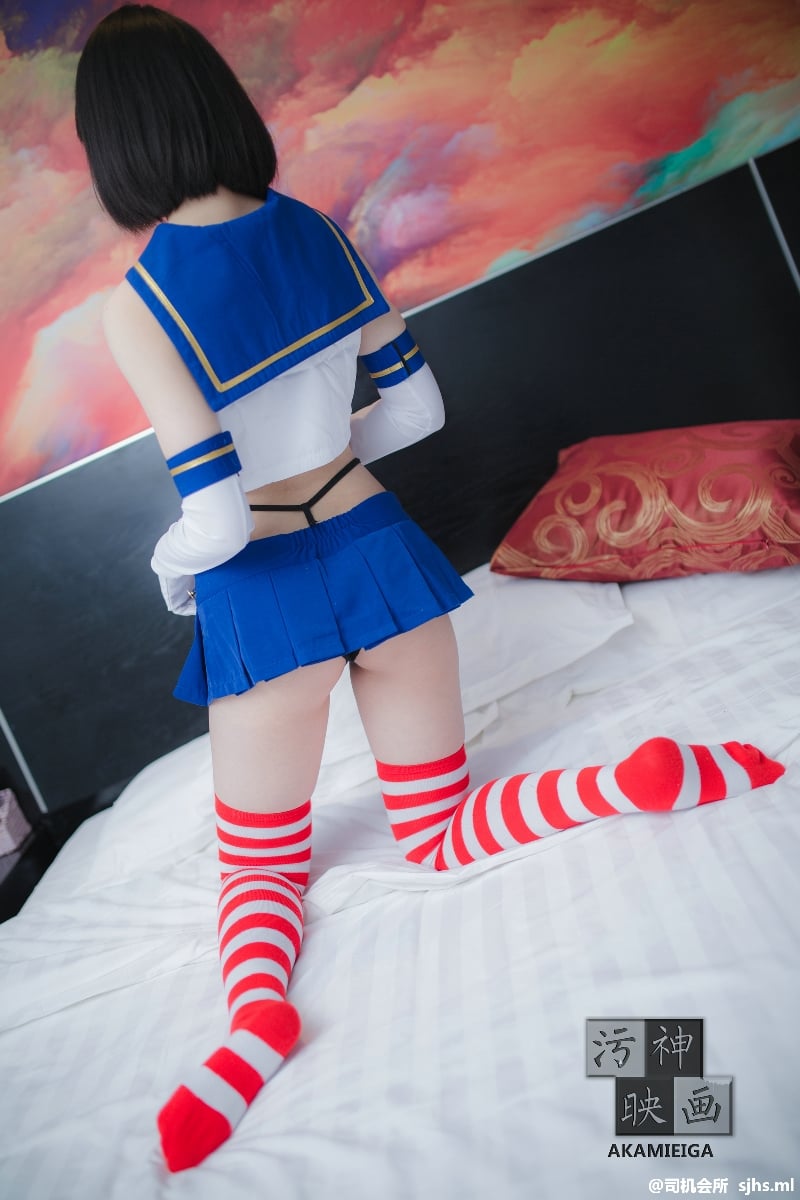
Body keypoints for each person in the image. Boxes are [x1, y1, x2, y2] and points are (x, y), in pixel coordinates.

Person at [75, 5, 784, 1174]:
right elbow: (416, 410)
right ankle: (622, 782)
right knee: (438, 830)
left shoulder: (140, 303)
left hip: (264, 594)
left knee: (262, 864)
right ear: (216, 105)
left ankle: (253, 1027)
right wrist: (327, 456)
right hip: (376, 546)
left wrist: (170, 572)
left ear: (117, 147)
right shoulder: (316, 232)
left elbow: (214, 518)